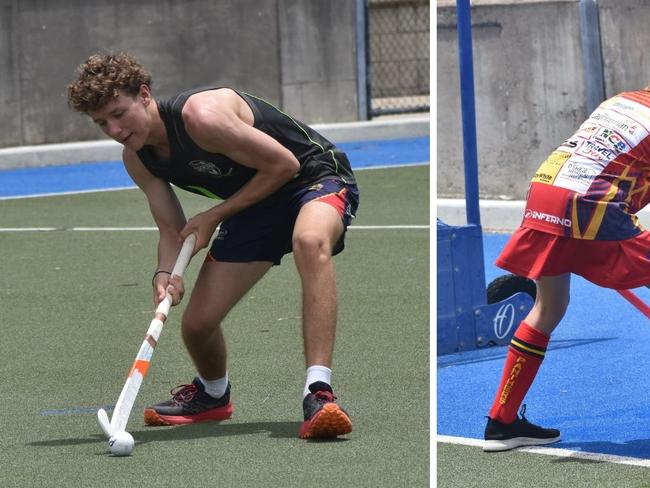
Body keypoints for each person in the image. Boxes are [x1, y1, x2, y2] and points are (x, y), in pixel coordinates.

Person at [67, 52, 359, 439]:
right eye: (102, 123)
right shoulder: (138, 159)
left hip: (313, 179)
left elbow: (285, 165)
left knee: (309, 240)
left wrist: (215, 215)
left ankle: (318, 393)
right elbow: (171, 230)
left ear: (144, 94)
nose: (116, 129)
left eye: (119, 113)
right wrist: (165, 274)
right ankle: (213, 395)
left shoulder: (200, 117)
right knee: (197, 325)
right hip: (255, 202)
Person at [483, 86, 650, 452]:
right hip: (590, 200)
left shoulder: (623, 99)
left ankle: (502, 422)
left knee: (549, 308)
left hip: (546, 189)